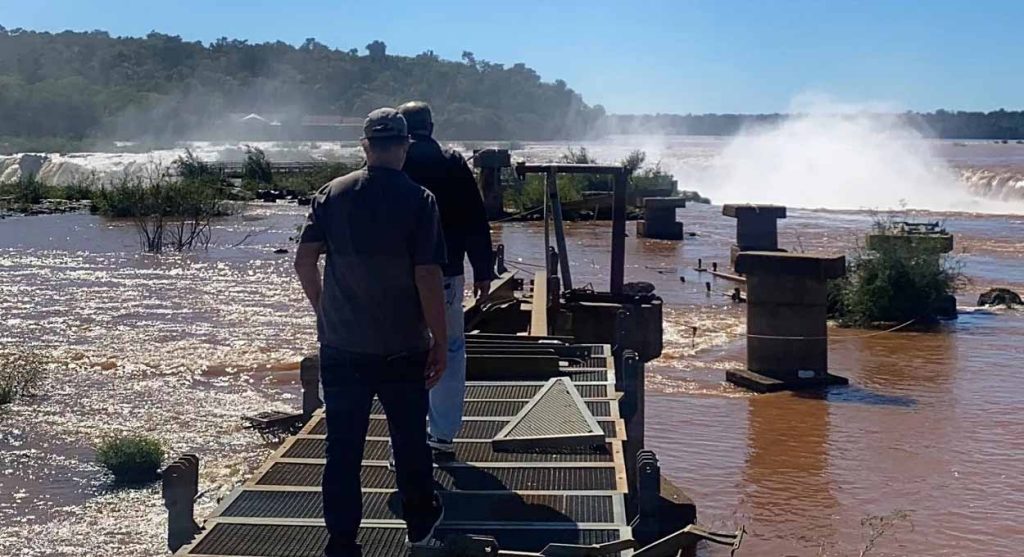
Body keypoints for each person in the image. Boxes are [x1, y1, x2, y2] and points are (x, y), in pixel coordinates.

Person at [294, 107, 447, 556]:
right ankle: (419, 529)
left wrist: (324, 309)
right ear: (403, 147)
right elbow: (427, 277)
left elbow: (305, 261)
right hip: (402, 345)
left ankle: (342, 541)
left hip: (342, 345)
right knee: (410, 443)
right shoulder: (420, 201)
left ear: (365, 147)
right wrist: (440, 341)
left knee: (342, 450)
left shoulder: (331, 194)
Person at [397, 100, 494, 453]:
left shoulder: (394, 162)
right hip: (446, 273)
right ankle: (441, 434)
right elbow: (474, 219)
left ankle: (406, 438)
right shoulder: (451, 163)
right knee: (449, 349)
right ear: (431, 127)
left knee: (403, 353)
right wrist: (483, 271)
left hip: (397, 277)